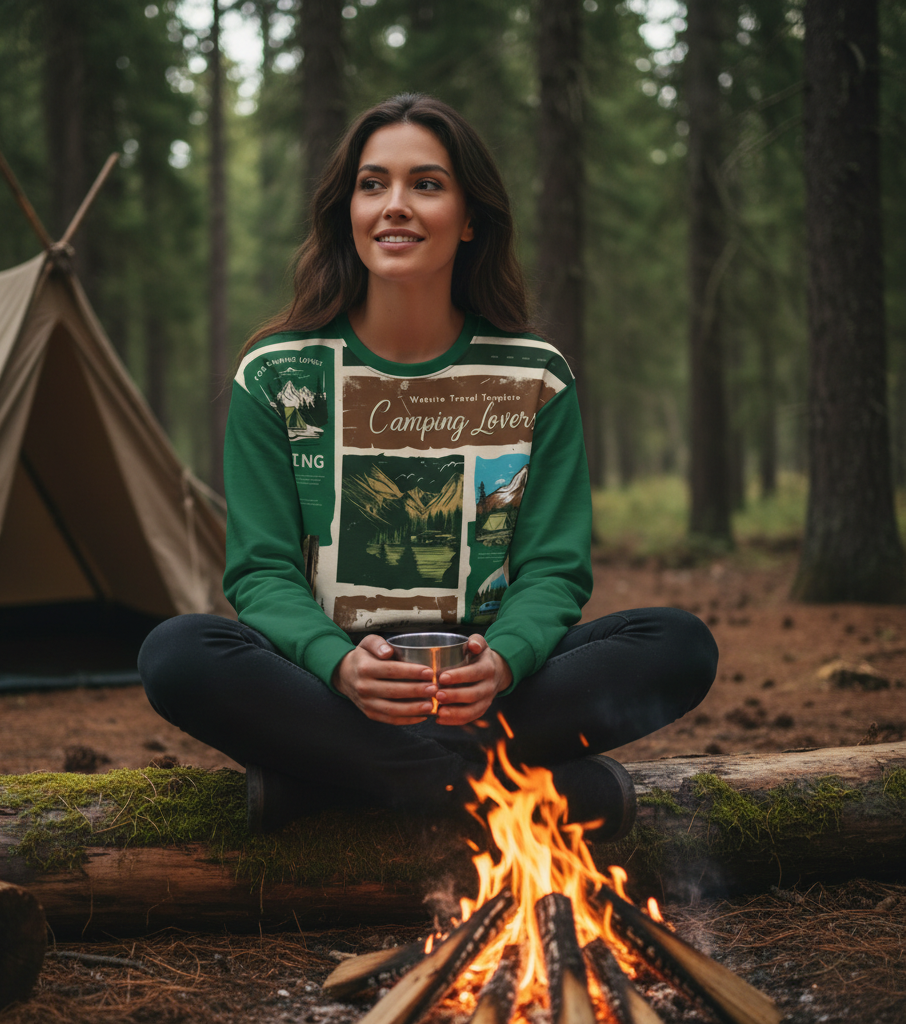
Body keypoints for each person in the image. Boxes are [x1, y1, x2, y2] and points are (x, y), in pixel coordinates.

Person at [139, 94, 718, 841]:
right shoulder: (278, 373)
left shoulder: (535, 377)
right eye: (373, 184)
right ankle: (502, 790)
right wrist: (339, 667)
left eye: (428, 184)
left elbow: (553, 568)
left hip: (489, 689)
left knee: (677, 643)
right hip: (335, 689)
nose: (395, 207)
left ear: (471, 218)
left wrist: (505, 661)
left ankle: (325, 785)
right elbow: (261, 572)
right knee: (179, 653)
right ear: (347, 211)